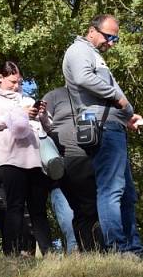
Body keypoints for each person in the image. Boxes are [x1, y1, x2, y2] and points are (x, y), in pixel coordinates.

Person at [63, 14, 143, 256]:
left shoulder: (95, 55)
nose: (112, 42)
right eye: (109, 36)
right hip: (101, 126)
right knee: (111, 189)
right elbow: (83, 77)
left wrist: (127, 115)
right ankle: (118, 248)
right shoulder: (79, 50)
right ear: (92, 31)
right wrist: (119, 98)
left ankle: (134, 248)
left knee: (127, 192)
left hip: (113, 123)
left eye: (115, 38)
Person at [0, 61, 53, 256]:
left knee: (38, 209)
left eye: (19, 82)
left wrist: (42, 115)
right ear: (1, 78)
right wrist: (16, 115)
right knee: (15, 206)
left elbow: (48, 126)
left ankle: (48, 253)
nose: (16, 86)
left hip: (35, 160)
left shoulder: (26, 99)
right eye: (12, 81)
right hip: (9, 159)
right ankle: (11, 253)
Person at [41, 86, 103, 252]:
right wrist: (41, 117)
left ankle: (99, 250)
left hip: (96, 157)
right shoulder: (54, 95)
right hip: (69, 158)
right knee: (83, 208)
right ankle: (88, 250)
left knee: (98, 207)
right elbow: (43, 125)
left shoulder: (93, 93)